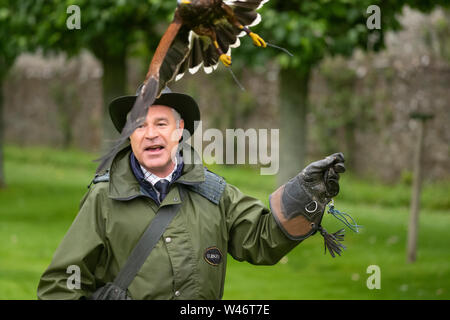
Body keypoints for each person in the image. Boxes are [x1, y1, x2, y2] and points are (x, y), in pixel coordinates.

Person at [37, 87, 345, 300]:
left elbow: (263, 240)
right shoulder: (104, 197)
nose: (151, 134)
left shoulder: (214, 192)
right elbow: (61, 283)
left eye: (161, 123)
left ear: (179, 130)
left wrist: (306, 196)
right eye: (140, 125)